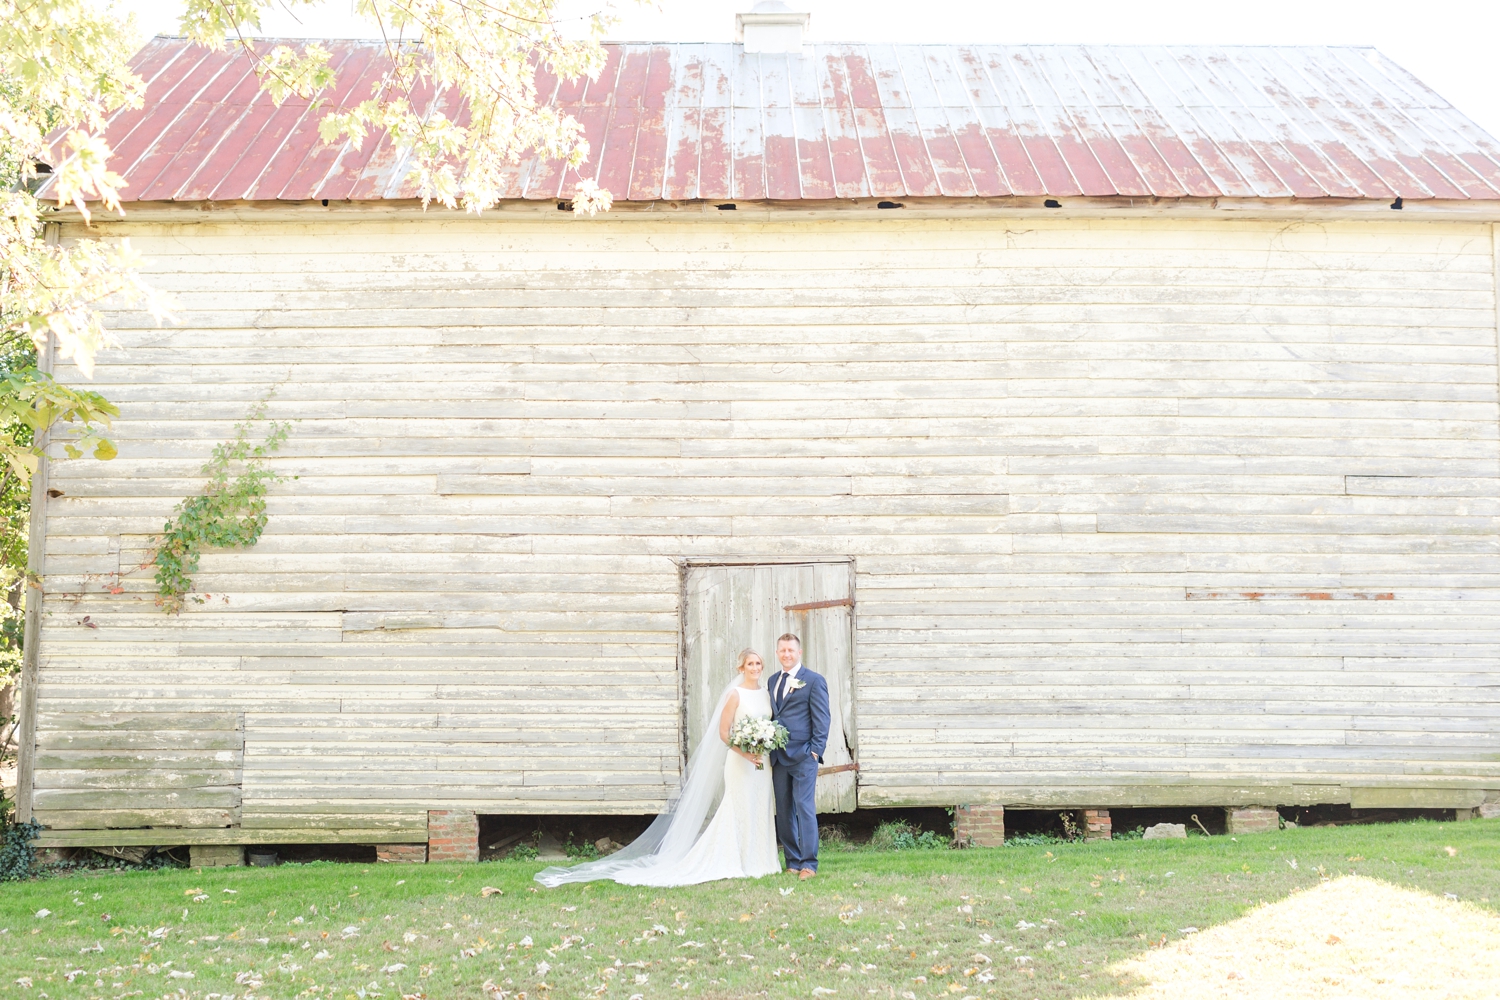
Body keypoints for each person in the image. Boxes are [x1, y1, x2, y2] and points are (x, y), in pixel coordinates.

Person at [534, 648, 780, 887]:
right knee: (739, 807)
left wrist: (762, 746)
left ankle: (760, 860)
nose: (755, 668)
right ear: (741, 667)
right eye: (750, 664)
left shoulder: (765, 693)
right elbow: (724, 733)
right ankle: (732, 859)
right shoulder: (735, 694)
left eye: (758, 664)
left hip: (762, 762)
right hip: (740, 762)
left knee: (759, 805)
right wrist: (745, 753)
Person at [769, 632, 830, 879]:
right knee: (783, 811)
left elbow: (822, 719)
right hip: (778, 756)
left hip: (804, 755)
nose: (786, 654)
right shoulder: (772, 680)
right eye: (782, 650)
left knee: (804, 807)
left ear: (799, 652)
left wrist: (815, 751)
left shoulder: (814, 680)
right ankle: (792, 861)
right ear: (777, 652)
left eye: (791, 650)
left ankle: (809, 864)